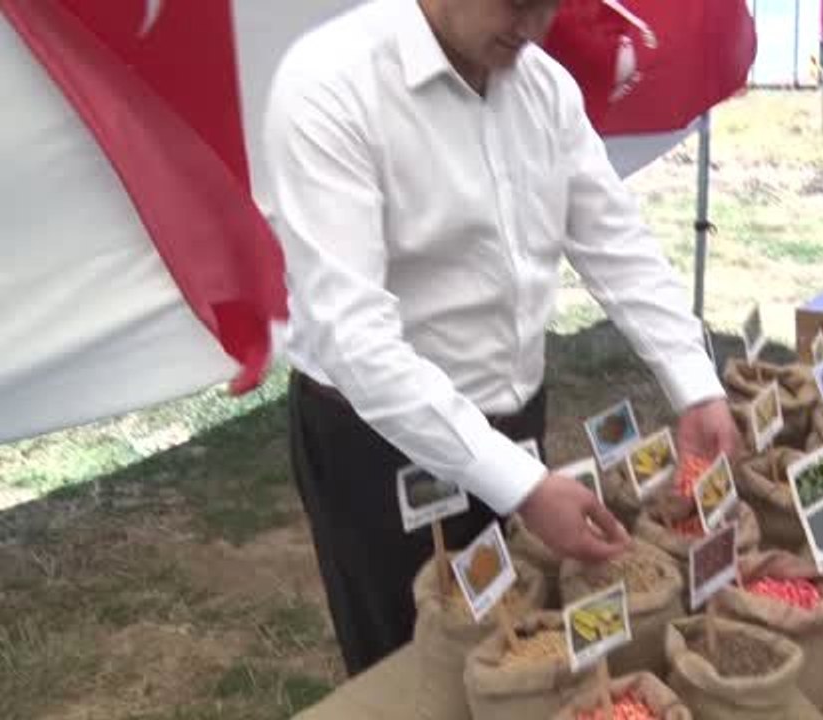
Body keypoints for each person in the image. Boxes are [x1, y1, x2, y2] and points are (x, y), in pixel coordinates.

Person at [261, 0, 742, 677]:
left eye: (548, 5)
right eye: (515, 3)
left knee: (521, 649)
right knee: (411, 668)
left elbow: (617, 245)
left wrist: (696, 386)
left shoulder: (545, 89)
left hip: (515, 422)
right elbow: (353, 338)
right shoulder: (331, 83)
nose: (533, 26)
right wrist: (521, 485)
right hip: (377, 441)